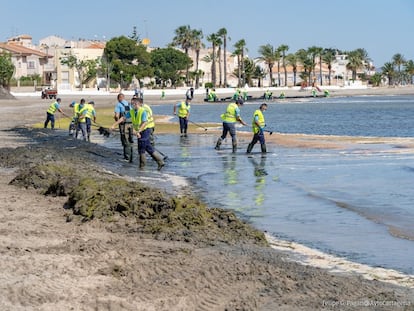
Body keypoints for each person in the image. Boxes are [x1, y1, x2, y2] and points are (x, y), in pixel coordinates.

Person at [111, 97, 164, 170]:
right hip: (139, 131)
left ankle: (142, 167)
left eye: (133, 104)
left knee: (141, 148)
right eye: (132, 104)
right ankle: (160, 161)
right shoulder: (132, 111)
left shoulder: (143, 111)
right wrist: (114, 124)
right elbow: (123, 118)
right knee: (147, 146)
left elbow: (144, 122)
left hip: (145, 130)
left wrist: (138, 131)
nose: (132, 105)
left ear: (137, 104)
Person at [114, 93, 134, 162]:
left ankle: (127, 157)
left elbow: (117, 115)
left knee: (125, 140)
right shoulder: (128, 104)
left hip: (124, 125)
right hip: (131, 124)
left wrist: (116, 121)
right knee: (131, 139)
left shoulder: (118, 105)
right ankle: (131, 156)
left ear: (119, 98)